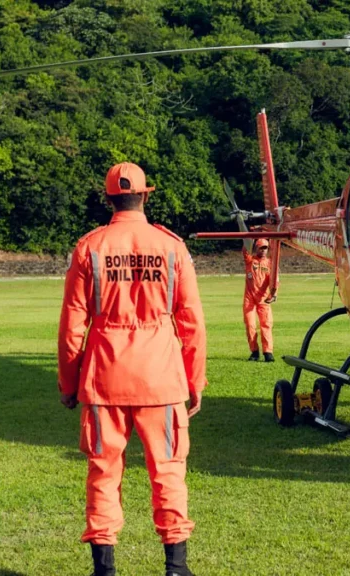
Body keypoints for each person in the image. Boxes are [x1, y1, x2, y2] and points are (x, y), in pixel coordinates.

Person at [58, 162, 206, 576]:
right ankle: (176, 568)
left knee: (103, 474)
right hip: (161, 378)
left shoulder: (90, 246)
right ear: (146, 195)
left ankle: (104, 570)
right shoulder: (171, 247)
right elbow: (192, 322)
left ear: (109, 199)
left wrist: (69, 384)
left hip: (104, 378)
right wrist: (194, 382)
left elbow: (72, 324)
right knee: (169, 472)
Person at [243, 238, 276, 362]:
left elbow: (274, 280)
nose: (263, 250)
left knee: (266, 324)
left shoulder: (270, 263)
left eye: (265, 248)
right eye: (261, 247)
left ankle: (268, 352)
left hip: (263, 298)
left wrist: (273, 294)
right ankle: (254, 352)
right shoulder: (249, 260)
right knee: (250, 325)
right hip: (249, 298)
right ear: (256, 248)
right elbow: (245, 244)